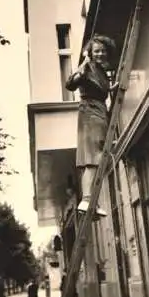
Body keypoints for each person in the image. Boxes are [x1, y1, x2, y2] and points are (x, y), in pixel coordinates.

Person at [65, 34, 117, 215]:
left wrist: (112, 89)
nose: (101, 54)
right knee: (92, 157)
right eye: (97, 51)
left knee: (98, 157)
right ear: (90, 53)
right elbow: (70, 84)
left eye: (103, 51)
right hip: (90, 112)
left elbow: (100, 89)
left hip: (99, 112)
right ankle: (87, 199)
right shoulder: (88, 67)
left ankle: (92, 201)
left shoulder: (101, 71)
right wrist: (83, 66)